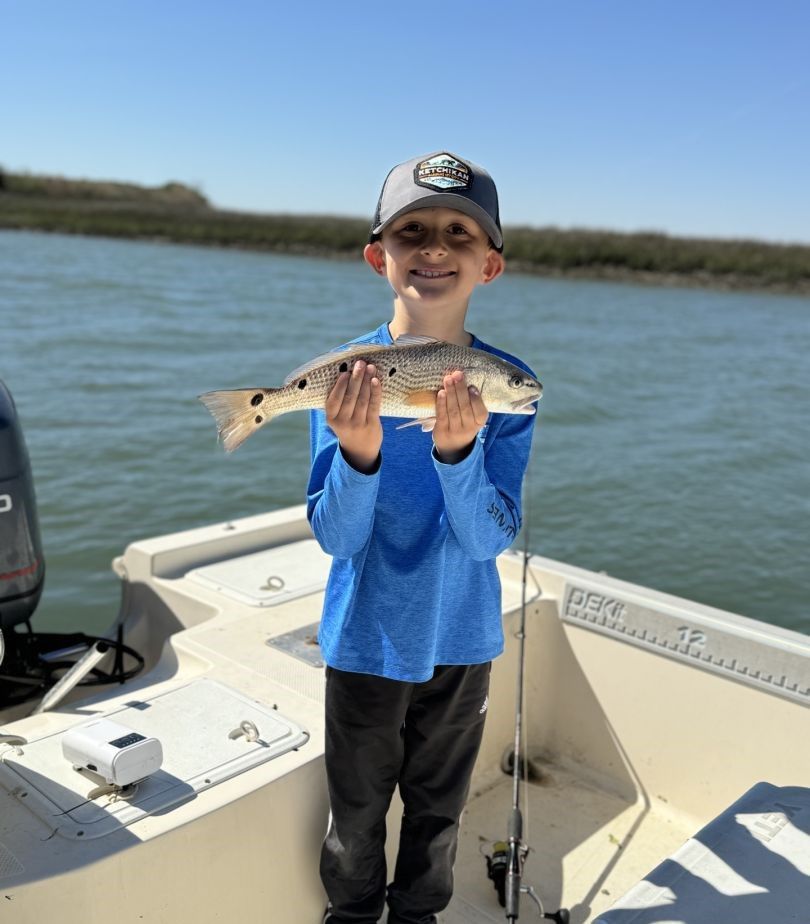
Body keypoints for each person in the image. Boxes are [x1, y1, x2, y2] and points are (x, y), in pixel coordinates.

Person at [307, 151, 538, 924]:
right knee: (356, 816)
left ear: (490, 265)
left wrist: (457, 454)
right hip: (365, 641)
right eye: (413, 230)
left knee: (437, 818)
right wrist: (359, 452)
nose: (435, 247)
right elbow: (336, 540)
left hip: (463, 642)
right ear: (380, 255)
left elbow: (487, 540)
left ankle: (418, 917)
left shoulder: (510, 387)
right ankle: (351, 915)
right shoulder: (345, 377)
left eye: (459, 234)